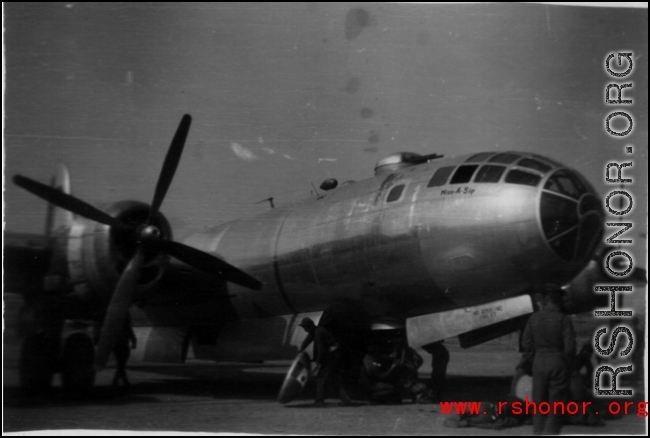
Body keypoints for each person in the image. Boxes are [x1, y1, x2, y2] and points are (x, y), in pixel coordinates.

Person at [521, 284, 576, 435]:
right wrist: (568, 365)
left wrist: (533, 360)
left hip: (539, 362)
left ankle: (538, 433)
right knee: (557, 404)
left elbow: (526, 343)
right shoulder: (563, 320)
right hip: (558, 362)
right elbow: (570, 347)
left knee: (538, 404)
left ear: (546, 299)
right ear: (559, 301)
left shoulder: (534, 318)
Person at [298, 317, 353, 406]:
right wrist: (300, 350)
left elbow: (321, 350)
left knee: (320, 377)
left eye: (305, 327)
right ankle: (346, 399)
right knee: (334, 377)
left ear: (310, 326)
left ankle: (319, 400)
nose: (305, 329)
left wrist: (317, 364)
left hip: (333, 355)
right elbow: (307, 341)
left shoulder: (318, 332)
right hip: (333, 354)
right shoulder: (314, 331)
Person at [112, 317, 137, 388]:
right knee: (121, 366)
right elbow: (133, 338)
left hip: (117, 348)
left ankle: (118, 382)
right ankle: (122, 382)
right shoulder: (127, 328)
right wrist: (133, 344)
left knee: (120, 366)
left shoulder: (115, 328)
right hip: (124, 348)